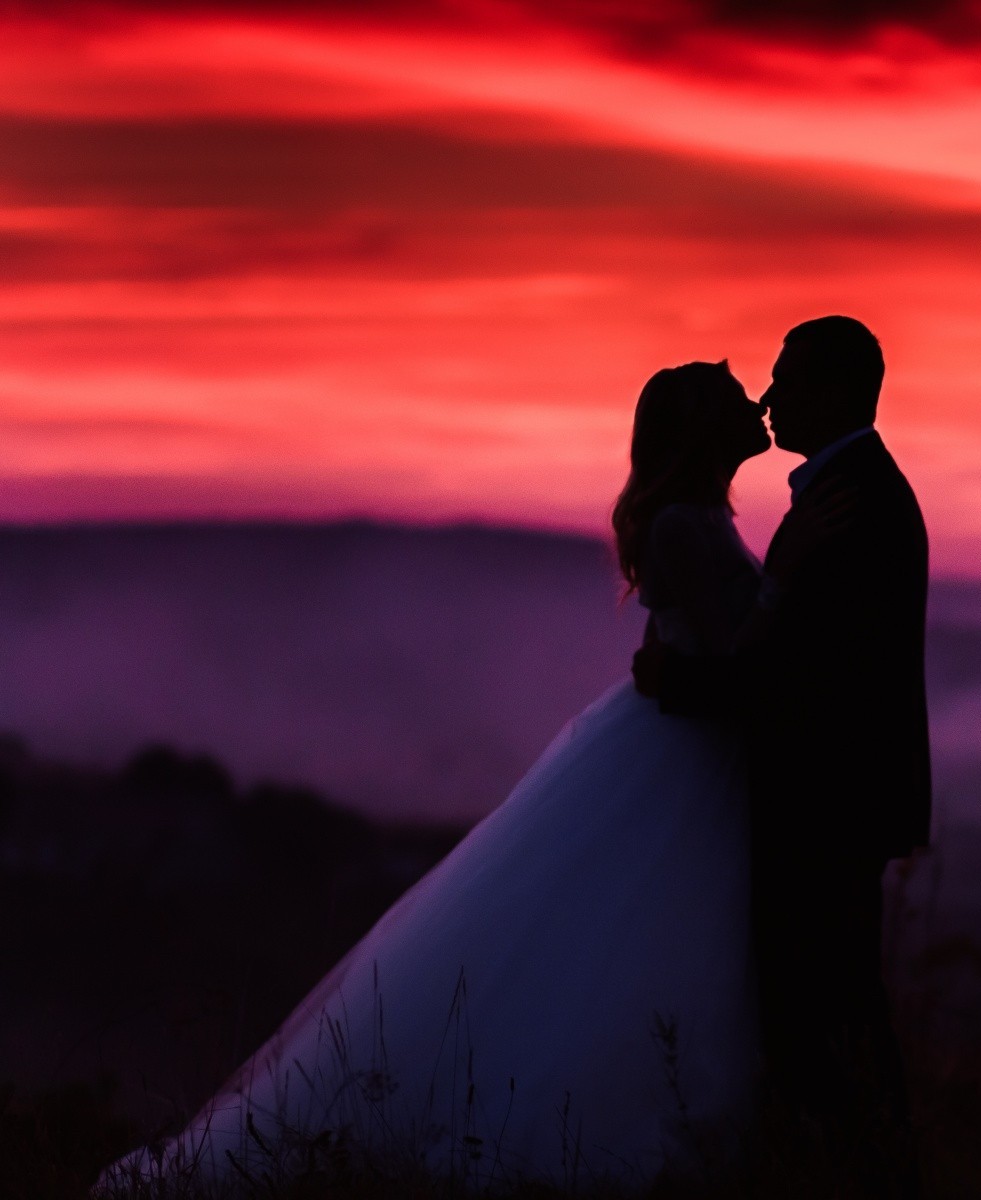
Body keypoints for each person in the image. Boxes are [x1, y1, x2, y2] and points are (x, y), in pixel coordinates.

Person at [98, 360, 796, 1191]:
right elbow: (738, 647)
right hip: (682, 752)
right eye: (729, 398)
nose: (752, 403)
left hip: (689, 745)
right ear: (695, 429)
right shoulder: (687, 523)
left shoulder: (702, 518)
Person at [634, 314, 930, 1196]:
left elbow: (798, 680)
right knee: (826, 1006)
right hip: (829, 796)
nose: (768, 398)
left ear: (834, 393)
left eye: (786, 381)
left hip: (826, 801)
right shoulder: (847, 494)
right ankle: (855, 1164)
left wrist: (674, 684)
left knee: (824, 1010)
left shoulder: (851, 505)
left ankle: (863, 1168)